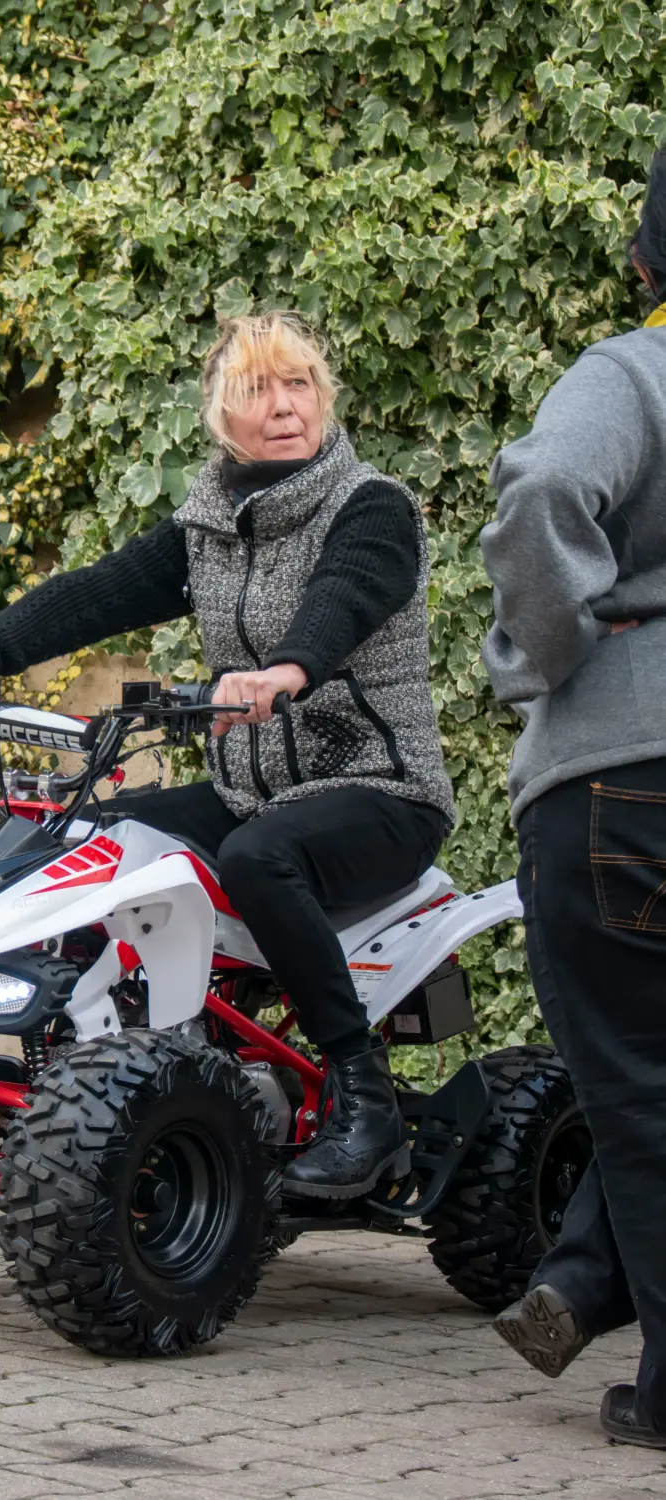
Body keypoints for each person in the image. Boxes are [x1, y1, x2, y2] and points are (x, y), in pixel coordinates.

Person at [0, 310, 455, 1198]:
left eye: (300, 384)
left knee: (260, 857)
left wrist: (285, 670)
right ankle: (111, 1058)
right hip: (253, 788)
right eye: (257, 388)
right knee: (86, 835)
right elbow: (98, 593)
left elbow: (343, 598)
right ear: (219, 414)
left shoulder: (371, 508)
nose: (285, 406)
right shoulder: (208, 527)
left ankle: (364, 1099)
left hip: (378, 790)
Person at [480, 152, 666, 1449]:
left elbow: (546, 489)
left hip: (619, 774)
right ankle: (586, 1284)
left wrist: (534, 658)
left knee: (637, 1097)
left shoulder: (632, 373)